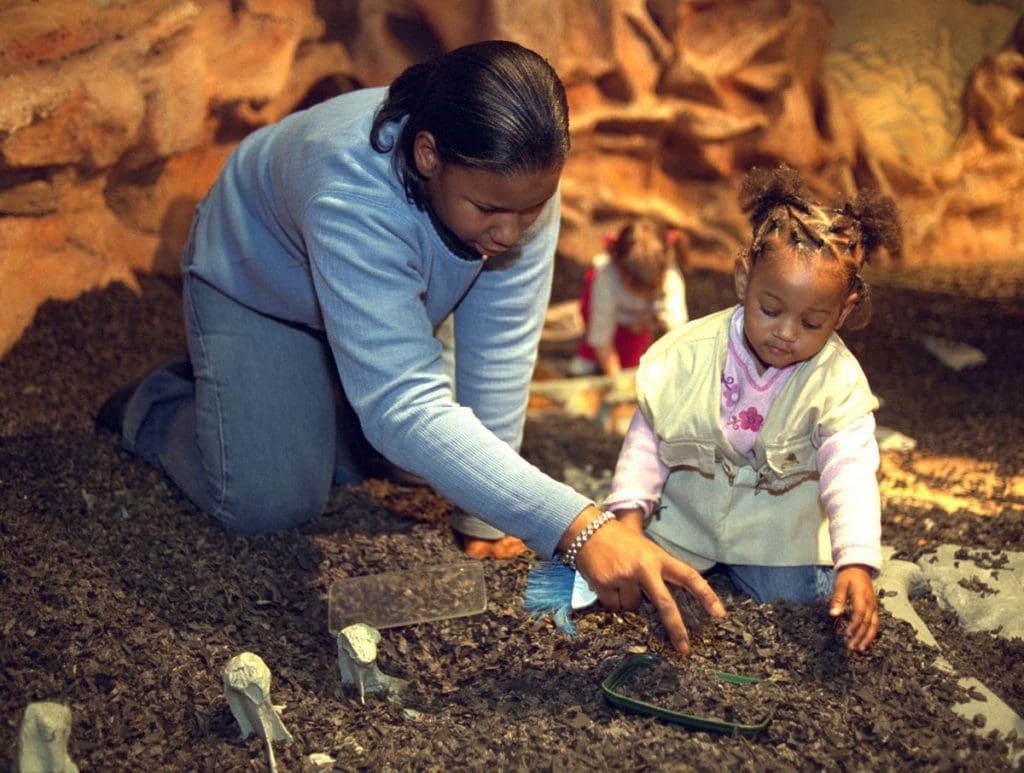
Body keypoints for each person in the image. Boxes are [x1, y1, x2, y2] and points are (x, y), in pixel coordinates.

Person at [95, 40, 725, 652]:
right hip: (260, 290)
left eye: (531, 210)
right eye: (488, 209)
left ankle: (312, 401)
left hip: (392, 302)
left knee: (421, 463)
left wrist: (485, 522)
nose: (511, 233)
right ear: (427, 156)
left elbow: (500, 348)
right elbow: (405, 407)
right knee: (271, 501)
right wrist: (578, 527)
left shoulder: (516, 181)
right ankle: (159, 406)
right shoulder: (352, 192)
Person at [602, 165, 902, 652]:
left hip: (775, 532)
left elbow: (850, 472)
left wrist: (857, 561)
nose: (785, 333)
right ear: (744, 278)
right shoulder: (685, 355)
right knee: (628, 580)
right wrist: (629, 521)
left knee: (813, 600)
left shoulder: (837, 381)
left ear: (843, 311)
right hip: (687, 523)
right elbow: (648, 439)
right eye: (771, 309)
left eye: (811, 321)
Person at [570, 219, 688, 377]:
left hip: (640, 319)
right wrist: (614, 377)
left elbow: (678, 333)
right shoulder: (606, 275)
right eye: (634, 287)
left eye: (647, 288)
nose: (639, 294)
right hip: (609, 307)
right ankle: (588, 354)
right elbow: (601, 334)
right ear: (619, 268)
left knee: (631, 359)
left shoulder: (670, 278)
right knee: (597, 334)